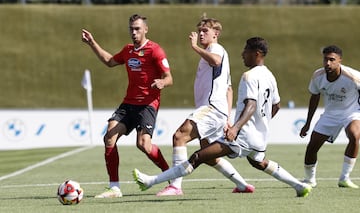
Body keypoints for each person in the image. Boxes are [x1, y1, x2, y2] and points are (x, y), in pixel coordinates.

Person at [133, 37, 312, 197]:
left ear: (257, 53)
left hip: (242, 136)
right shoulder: (270, 76)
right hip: (259, 137)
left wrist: (235, 128)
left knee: (197, 157)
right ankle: (298, 186)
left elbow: (251, 105)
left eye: (246, 51)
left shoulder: (249, 76)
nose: (242, 54)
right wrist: (261, 124)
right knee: (260, 163)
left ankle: (152, 181)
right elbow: (276, 105)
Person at [155, 16, 254, 196]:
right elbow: (229, 89)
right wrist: (227, 118)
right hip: (218, 111)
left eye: (205, 31)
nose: (201, 34)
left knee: (179, 136)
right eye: (199, 31)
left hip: (211, 108)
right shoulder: (216, 53)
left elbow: (215, 60)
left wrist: (194, 47)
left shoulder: (215, 49)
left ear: (216, 34)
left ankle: (175, 186)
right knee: (209, 156)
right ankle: (242, 185)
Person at [81, 14, 173, 198]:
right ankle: (114, 187)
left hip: (147, 104)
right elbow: (109, 61)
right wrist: (92, 43)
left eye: (137, 28)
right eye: (131, 28)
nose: (134, 32)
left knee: (143, 145)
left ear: (145, 29)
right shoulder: (128, 50)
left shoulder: (155, 51)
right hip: (128, 104)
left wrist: (163, 83)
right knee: (109, 137)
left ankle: (172, 177)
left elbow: (169, 77)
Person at [300, 45, 360, 188]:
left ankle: (344, 178)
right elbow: (314, 98)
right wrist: (307, 123)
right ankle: (310, 180)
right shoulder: (318, 76)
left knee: (355, 135)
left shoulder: (353, 77)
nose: (328, 63)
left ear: (340, 60)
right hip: (330, 115)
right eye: (325, 59)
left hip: (351, 112)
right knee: (312, 146)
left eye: (332, 60)